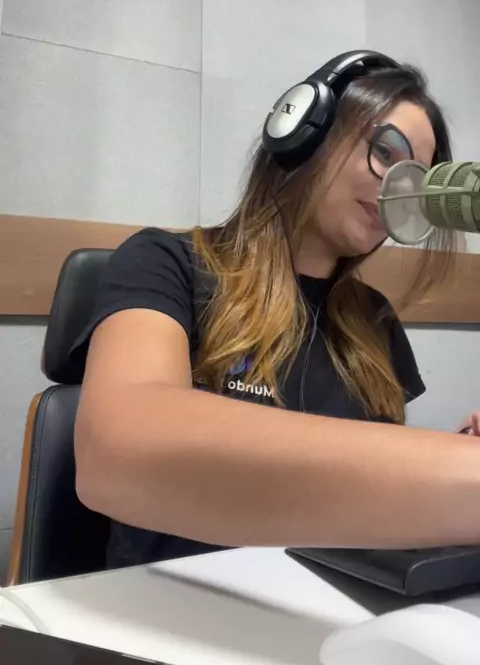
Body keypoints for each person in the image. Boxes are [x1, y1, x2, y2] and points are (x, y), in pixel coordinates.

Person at [73, 51, 480, 571]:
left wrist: (456, 456)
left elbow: (361, 487)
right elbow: (119, 449)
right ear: (303, 132)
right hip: (172, 602)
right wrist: (456, 470)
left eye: (417, 180)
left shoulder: (373, 318)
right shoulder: (166, 263)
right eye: (385, 152)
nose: (401, 192)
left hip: (328, 598)